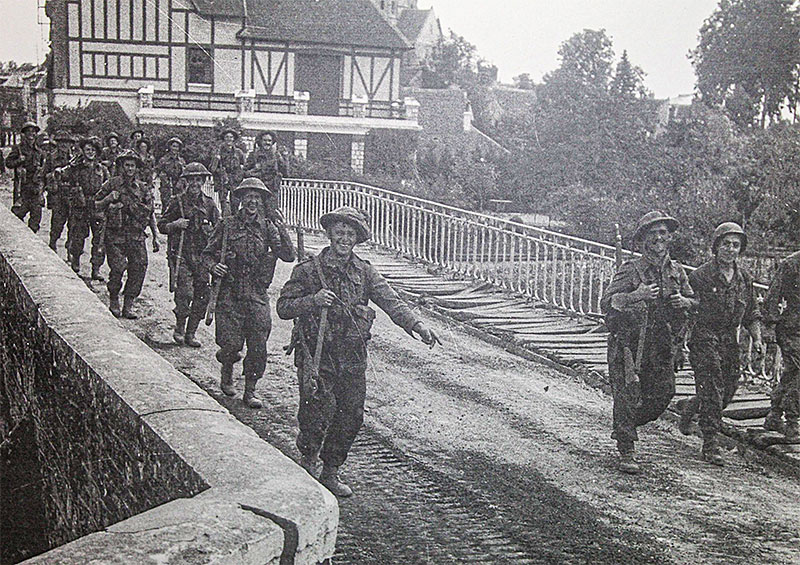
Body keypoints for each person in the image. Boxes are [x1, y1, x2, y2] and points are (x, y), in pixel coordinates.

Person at [277, 206, 441, 497]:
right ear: (329, 235)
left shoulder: (365, 272)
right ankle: (307, 461)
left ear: (357, 239)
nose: (344, 238)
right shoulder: (307, 270)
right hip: (316, 354)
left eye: (350, 234)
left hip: (351, 357)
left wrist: (417, 325)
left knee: (350, 415)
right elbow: (283, 308)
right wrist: (313, 300)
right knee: (315, 411)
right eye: (339, 232)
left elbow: (391, 301)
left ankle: (330, 471)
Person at [600, 211, 696, 474]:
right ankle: (626, 447)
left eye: (663, 233)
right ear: (642, 240)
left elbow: (694, 302)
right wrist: (636, 295)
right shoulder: (630, 270)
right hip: (630, 342)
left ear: (670, 238)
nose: (658, 238)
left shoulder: (676, 271)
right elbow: (607, 303)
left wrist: (685, 302)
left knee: (664, 394)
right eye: (652, 234)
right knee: (627, 394)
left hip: (662, 343)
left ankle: (624, 425)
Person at [201, 177, 296, 408]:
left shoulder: (268, 227)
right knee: (231, 344)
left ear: (262, 201)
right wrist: (214, 266)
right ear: (241, 200)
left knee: (258, 344)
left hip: (256, 293)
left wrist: (282, 228)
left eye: (257, 197)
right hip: (230, 293)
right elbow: (206, 254)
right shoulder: (227, 225)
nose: (252, 201)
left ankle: (250, 389)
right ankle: (227, 370)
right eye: (248, 196)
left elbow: (288, 255)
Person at [678, 222, 762, 465]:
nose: (731, 249)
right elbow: (688, 312)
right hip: (704, 337)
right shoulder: (700, 276)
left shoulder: (744, 278)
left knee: (729, 389)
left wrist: (757, 338)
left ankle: (692, 406)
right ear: (716, 246)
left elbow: (751, 313)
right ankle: (710, 443)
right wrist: (679, 345)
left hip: (728, 339)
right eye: (726, 244)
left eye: (736, 245)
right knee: (713, 389)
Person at [158, 163, 220, 347]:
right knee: (184, 294)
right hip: (181, 255)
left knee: (203, 295)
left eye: (198, 179)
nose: (195, 183)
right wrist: (175, 224)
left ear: (202, 181)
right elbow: (162, 224)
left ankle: (191, 332)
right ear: (186, 182)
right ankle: (179, 327)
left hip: (202, 257)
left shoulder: (209, 204)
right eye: (191, 179)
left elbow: (218, 230)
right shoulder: (176, 202)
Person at [94, 150, 154, 318]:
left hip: (136, 234)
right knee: (118, 267)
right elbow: (96, 205)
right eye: (126, 165)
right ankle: (114, 299)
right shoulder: (111, 184)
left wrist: (127, 206)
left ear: (137, 168)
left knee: (139, 267)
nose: (129, 169)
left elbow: (149, 211)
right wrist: (108, 201)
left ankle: (128, 304)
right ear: (121, 166)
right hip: (115, 235)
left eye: (132, 166)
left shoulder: (142, 188)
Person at [762, 250, 800, 441]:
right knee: (797, 370)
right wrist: (769, 326)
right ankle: (792, 421)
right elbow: (772, 295)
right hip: (792, 328)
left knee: (793, 372)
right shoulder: (791, 264)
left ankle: (775, 414)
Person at [59, 136, 110, 278]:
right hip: (80, 206)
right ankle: (75, 262)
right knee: (78, 236)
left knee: (99, 239)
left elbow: (109, 186)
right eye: (87, 149)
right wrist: (70, 166)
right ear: (83, 151)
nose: (90, 152)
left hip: (97, 206)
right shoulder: (76, 168)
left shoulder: (102, 170)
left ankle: (96, 268)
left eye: (93, 150)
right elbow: (62, 176)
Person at [6, 121, 45, 232]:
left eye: (33, 132)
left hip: (35, 189)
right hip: (22, 188)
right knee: (17, 215)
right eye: (29, 132)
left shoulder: (39, 152)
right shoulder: (18, 149)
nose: (31, 134)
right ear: (24, 134)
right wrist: (18, 161)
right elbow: (8, 163)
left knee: (36, 219)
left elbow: (43, 170)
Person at [43, 131, 73, 252]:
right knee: (57, 223)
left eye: (66, 143)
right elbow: (44, 175)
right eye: (61, 143)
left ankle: (70, 250)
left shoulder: (74, 158)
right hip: (58, 194)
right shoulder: (51, 157)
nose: (64, 145)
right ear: (58, 144)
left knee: (73, 224)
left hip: (72, 194)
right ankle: (53, 243)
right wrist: (54, 175)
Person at [209, 128, 245, 216]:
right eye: (227, 137)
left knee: (235, 203)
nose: (229, 139)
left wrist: (239, 175)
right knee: (224, 204)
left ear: (234, 139)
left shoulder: (238, 152)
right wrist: (218, 165)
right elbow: (212, 169)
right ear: (224, 138)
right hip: (223, 181)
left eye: (231, 137)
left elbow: (244, 165)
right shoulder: (218, 152)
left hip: (235, 181)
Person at [134, 137, 160, 253]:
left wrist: (150, 186)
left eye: (145, 146)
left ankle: (155, 236)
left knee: (150, 210)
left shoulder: (151, 159)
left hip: (147, 186)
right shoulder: (135, 158)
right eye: (141, 146)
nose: (143, 148)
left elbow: (152, 172)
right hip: (135, 185)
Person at [244, 130, 286, 197]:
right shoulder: (254, 155)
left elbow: (284, 172)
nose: (267, 143)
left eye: (269, 141)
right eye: (265, 140)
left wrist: (284, 157)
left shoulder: (277, 155)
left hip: (272, 190)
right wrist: (255, 170)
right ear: (260, 141)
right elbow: (245, 172)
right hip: (257, 189)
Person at [156, 136, 185, 211]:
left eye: (177, 147)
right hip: (166, 186)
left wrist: (180, 183)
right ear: (170, 147)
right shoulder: (164, 159)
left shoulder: (181, 161)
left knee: (179, 206)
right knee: (166, 206)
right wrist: (166, 182)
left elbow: (184, 174)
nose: (175, 148)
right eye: (173, 146)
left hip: (178, 187)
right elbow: (159, 171)